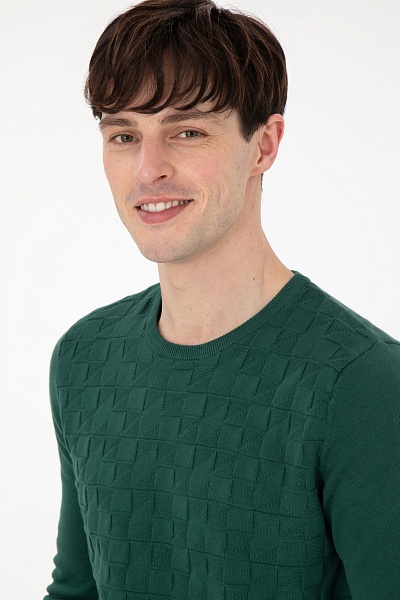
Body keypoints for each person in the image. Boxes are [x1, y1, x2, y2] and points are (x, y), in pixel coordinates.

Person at [44, 0, 400, 598]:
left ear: (264, 145)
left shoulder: (364, 385)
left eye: (187, 132)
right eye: (124, 135)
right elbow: (76, 590)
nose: (148, 170)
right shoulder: (84, 357)